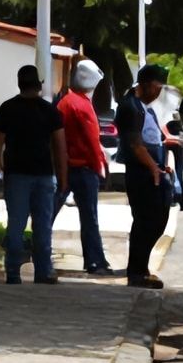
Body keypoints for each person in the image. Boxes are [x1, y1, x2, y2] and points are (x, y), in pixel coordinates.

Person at [0, 65, 67, 285]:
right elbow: (60, 147)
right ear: (39, 84)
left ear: (19, 83)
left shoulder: (7, 109)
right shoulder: (50, 111)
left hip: (16, 175)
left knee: (16, 224)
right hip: (43, 174)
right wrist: (63, 176)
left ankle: (13, 272)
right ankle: (43, 271)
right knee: (43, 225)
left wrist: (4, 168)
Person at [56, 59, 119, 275]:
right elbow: (93, 142)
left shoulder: (65, 102)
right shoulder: (83, 106)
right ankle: (95, 261)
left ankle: (39, 254)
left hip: (64, 167)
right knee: (90, 218)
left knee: (48, 214)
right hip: (83, 169)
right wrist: (100, 167)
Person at [115, 64, 174, 289]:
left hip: (153, 171)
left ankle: (142, 267)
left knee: (157, 220)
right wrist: (152, 168)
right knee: (146, 222)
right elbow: (136, 145)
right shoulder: (130, 107)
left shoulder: (143, 107)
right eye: (158, 88)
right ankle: (137, 272)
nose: (159, 94)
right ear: (148, 84)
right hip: (142, 173)